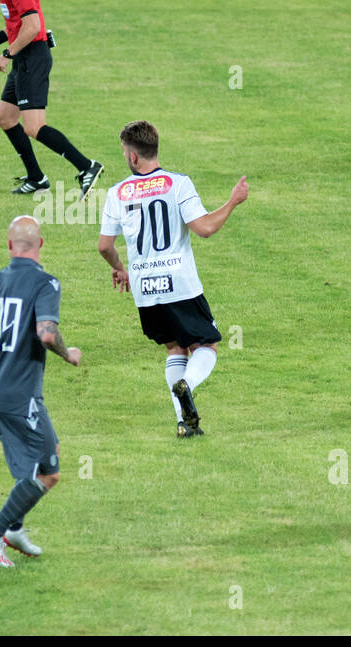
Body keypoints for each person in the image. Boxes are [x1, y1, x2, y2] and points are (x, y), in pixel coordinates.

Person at [97, 121, 248, 437]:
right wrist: (232, 201)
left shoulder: (117, 193)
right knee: (207, 344)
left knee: (175, 349)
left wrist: (121, 268)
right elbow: (205, 228)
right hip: (179, 283)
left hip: (145, 289)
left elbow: (104, 246)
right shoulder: (177, 183)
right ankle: (187, 385)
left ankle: (184, 422)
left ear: (133, 157)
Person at [0, 216, 82, 567]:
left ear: (10, 246)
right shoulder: (45, 283)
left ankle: (14, 528)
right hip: (20, 397)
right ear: (41, 244)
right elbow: (46, 333)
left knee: (47, 455)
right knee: (47, 473)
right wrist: (67, 353)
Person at [0, 0, 104, 197]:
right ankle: (36, 177)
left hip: (31, 58)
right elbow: (17, 23)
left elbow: (32, 28)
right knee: (6, 118)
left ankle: (87, 166)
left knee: (33, 127)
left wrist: (7, 54)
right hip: (24, 57)